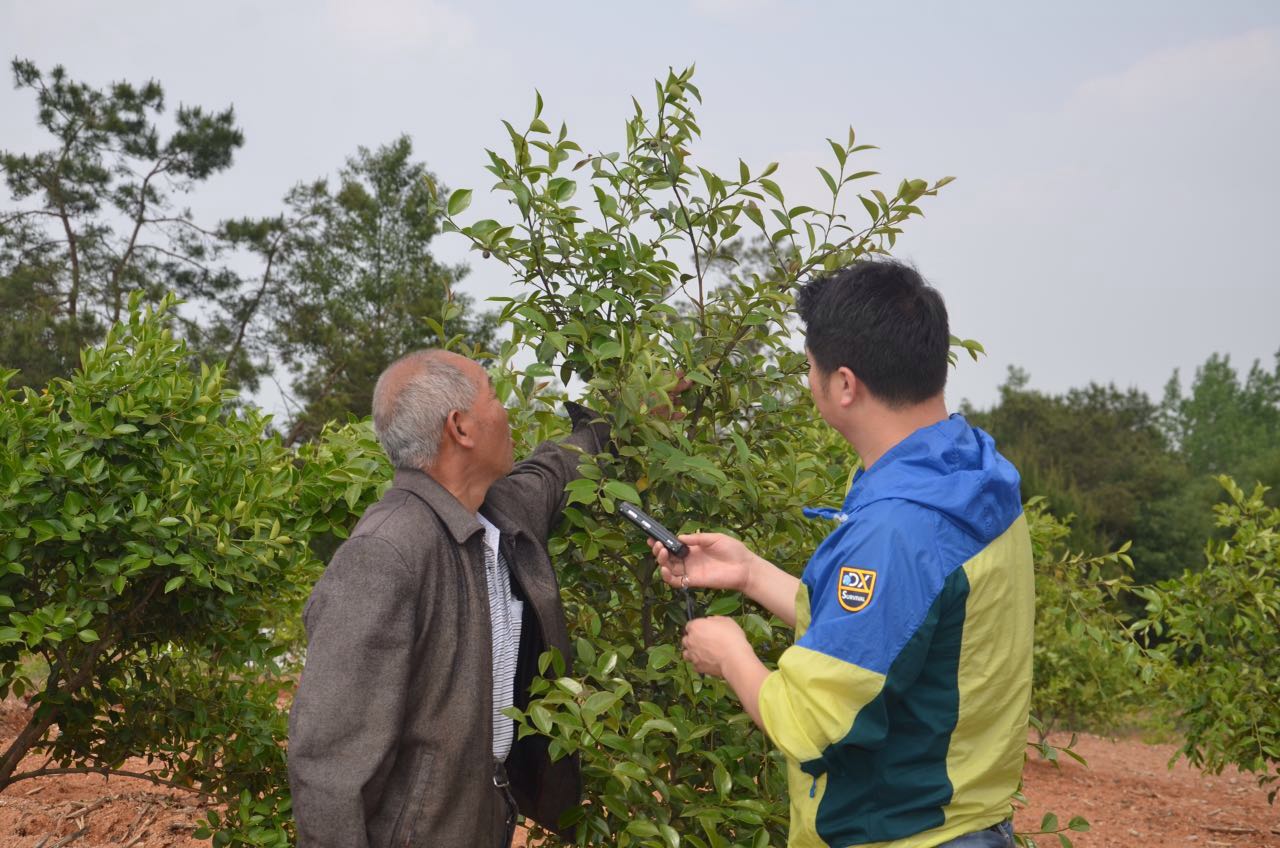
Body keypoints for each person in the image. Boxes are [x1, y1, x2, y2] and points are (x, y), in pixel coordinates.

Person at [651, 261, 1032, 848]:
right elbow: (887, 637)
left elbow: (809, 721)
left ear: (846, 384)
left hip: (904, 834)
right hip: (967, 819)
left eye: (810, 367)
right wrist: (750, 573)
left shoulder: (899, 530)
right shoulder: (970, 477)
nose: (809, 380)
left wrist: (729, 654)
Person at [288, 349, 610, 848]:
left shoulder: (496, 511)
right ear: (460, 428)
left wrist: (630, 409)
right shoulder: (386, 552)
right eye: (495, 396)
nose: (507, 412)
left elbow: (555, 470)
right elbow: (329, 770)